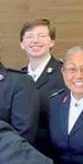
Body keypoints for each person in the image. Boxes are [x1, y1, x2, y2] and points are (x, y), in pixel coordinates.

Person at [20, 19, 66, 156]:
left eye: (41, 36)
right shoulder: (18, 77)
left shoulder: (64, 73)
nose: (35, 41)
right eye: (29, 37)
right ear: (22, 44)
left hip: (55, 153)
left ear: (52, 41)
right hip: (25, 152)